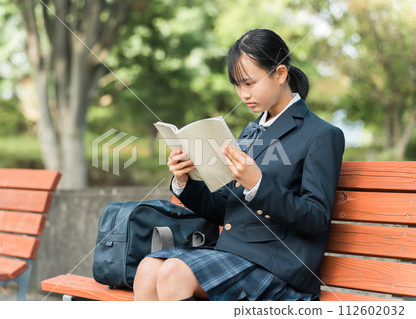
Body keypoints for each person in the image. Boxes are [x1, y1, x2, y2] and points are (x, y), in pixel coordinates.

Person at [133, 29, 345, 301]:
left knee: (174, 272)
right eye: (237, 84)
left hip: (280, 268)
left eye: (249, 83)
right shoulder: (250, 133)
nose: (243, 94)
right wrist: (184, 181)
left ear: (280, 74)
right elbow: (224, 210)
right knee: (148, 268)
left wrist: (258, 184)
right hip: (234, 254)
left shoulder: (321, 135)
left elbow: (316, 219)